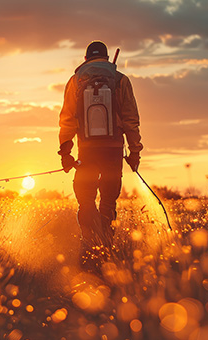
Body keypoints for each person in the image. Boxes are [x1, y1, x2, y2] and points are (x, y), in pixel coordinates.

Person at [58, 40, 143, 249]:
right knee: (108, 201)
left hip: (86, 150)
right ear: (106, 58)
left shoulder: (75, 81)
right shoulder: (120, 79)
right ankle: (106, 246)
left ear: (85, 59)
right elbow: (131, 119)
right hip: (113, 150)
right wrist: (134, 152)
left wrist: (65, 152)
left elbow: (67, 119)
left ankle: (88, 243)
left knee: (85, 200)